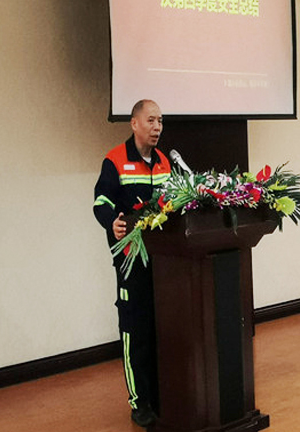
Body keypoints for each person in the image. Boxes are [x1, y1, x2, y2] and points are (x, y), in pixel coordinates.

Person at [93, 99, 171, 428]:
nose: (157, 127)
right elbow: (101, 201)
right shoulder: (115, 160)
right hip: (131, 262)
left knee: (160, 330)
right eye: (151, 120)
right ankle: (140, 403)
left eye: (160, 121)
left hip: (164, 263)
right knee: (135, 330)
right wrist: (111, 221)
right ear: (134, 123)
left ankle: (161, 396)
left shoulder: (166, 162)